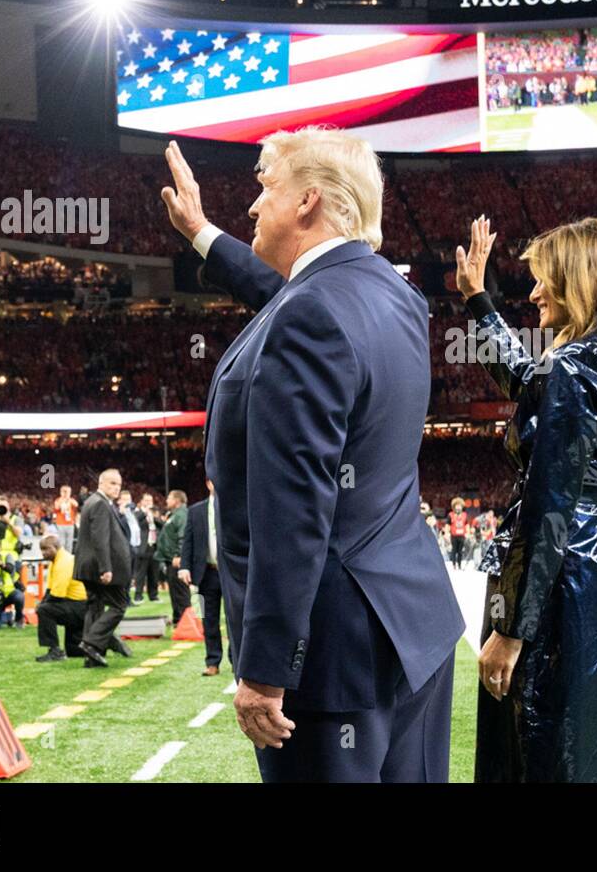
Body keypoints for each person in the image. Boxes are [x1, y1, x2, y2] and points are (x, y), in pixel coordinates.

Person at [161, 131, 463, 782]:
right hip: (412, 629)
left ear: (308, 200)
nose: (252, 207)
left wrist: (268, 669)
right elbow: (299, 303)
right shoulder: (392, 297)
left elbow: (294, 508)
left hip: (329, 660)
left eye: (266, 187)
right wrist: (201, 233)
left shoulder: (309, 315)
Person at [456, 215, 597, 782]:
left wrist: (511, 629)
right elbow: (527, 382)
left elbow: (549, 505)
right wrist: (478, 301)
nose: (534, 291)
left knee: (549, 744)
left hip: (566, 578)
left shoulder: (576, 364)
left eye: (544, 279)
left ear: (581, 279)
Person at [72, 469, 133, 668]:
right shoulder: (100, 503)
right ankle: (91, 643)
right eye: (112, 483)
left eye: (119, 484)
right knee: (119, 605)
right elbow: (100, 538)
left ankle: (92, 655)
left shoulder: (94, 502)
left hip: (89, 566)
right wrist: (105, 568)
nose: (117, 488)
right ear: (101, 483)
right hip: (98, 567)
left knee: (95, 607)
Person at [180, 484, 227, 676]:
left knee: (236, 620)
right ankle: (213, 662)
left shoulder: (233, 507)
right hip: (205, 573)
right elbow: (187, 541)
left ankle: (237, 662)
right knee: (208, 619)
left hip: (230, 573)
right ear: (208, 483)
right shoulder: (196, 511)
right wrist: (184, 566)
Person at [34, 534, 88, 662]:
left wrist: (41, 606)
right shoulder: (57, 560)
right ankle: (106, 641)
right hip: (77, 605)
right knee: (75, 652)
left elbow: (57, 595)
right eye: (42, 549)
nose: (43, 553)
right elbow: (50, 590)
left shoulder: (63, 563)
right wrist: (42, 602)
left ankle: (55, 651)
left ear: (56, 547)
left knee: (45, 611)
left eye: (46, 549)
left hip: (80, 606)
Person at [154, 490, 189, 626]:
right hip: (170, 560)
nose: (167, 501)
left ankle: (186, 622)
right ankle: (178, 619)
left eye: (169, 498)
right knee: (175, 591)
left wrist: (179, 555)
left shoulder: (181, 515)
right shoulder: (174, 515)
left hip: (176, 560)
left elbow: (183, 536)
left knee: (180, 592)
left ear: (177, 500)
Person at [53, 486, 78, 554]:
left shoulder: (71, 500)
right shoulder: (58, 500)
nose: (66, 493)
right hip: (61, 524)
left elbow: (76, 505)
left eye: (68, 492)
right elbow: (56, 507)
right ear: (61, 492)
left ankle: (68, 558)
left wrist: (68, 499)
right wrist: (63, 499)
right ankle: (61, 557)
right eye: (65, 491)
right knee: (62, 543)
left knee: (69, 544)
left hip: (70, 524)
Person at [447, 498, 468, 570]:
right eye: (457, 506)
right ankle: (453, 564)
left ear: (462, 507)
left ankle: (459, 564)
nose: (458, 507)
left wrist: (468, 533)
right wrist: (446, 533)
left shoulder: (465, 515)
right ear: (454, 507)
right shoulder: (450, 515)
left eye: (460, 506)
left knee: (460, 551)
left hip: (462, 535)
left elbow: (466, 524)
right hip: (454, 535)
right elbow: (448, 525)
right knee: (454, 550)